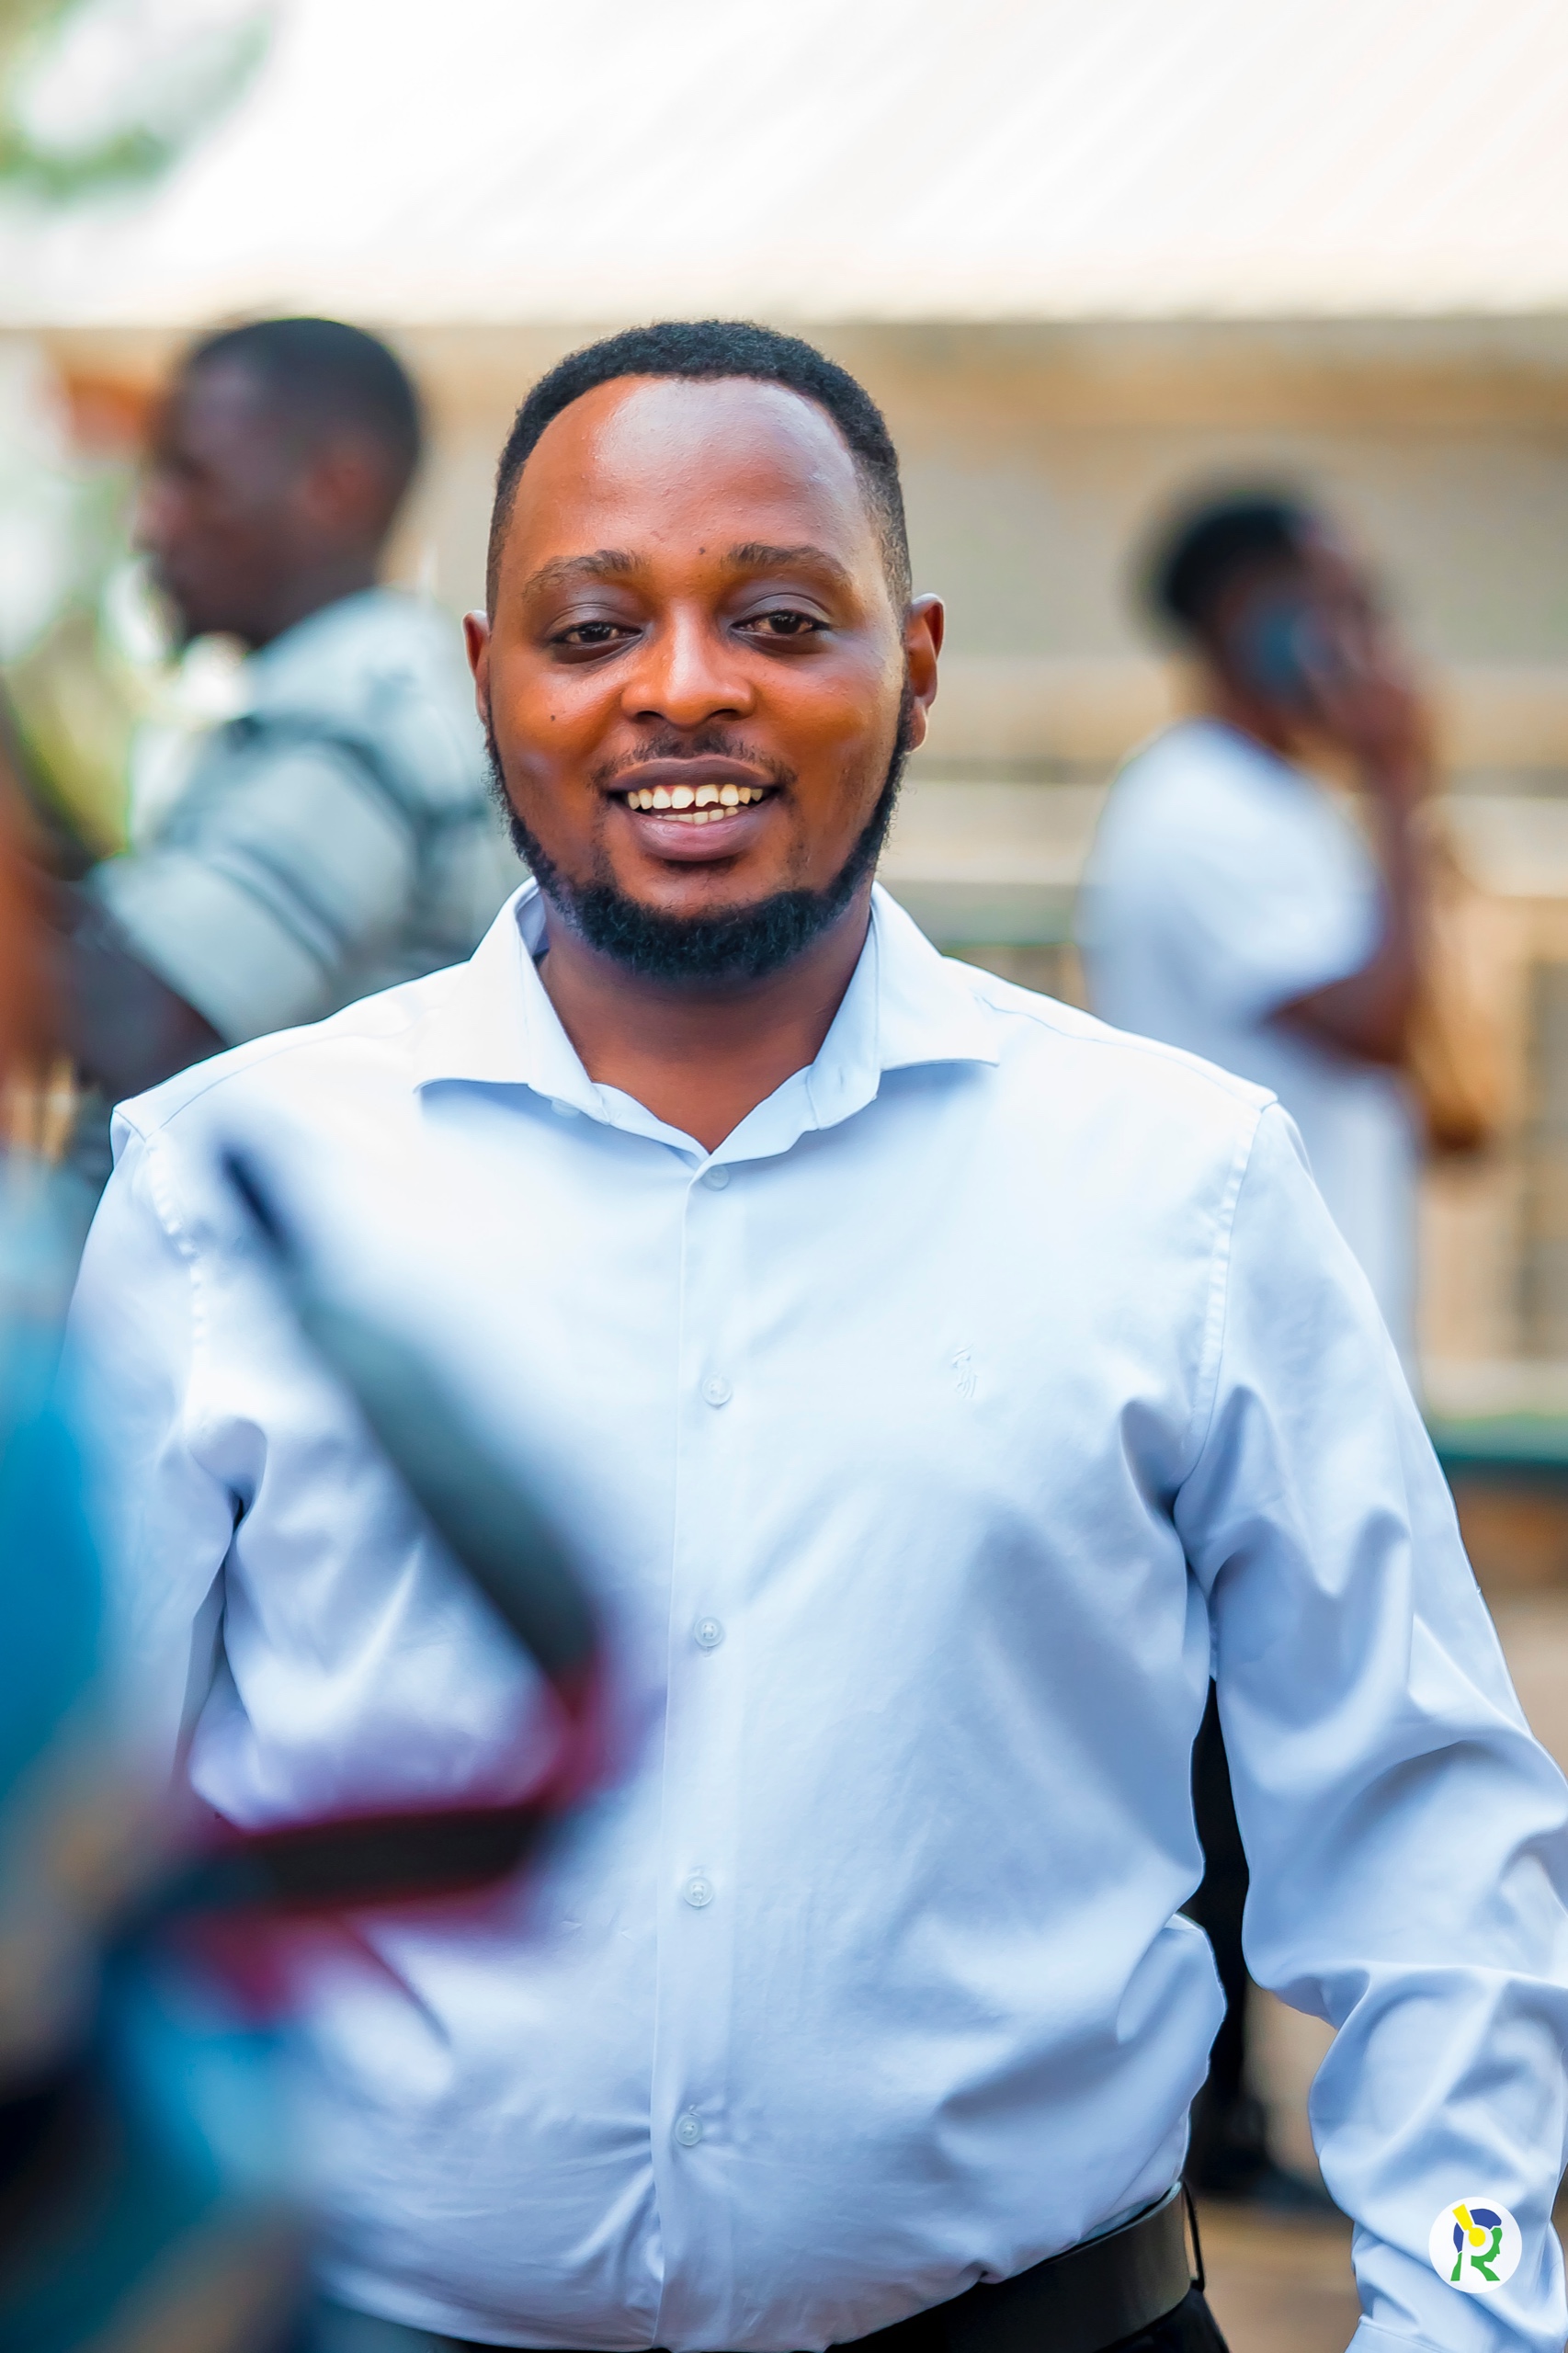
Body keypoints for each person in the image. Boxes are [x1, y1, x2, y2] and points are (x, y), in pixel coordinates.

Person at [68, 324, 1568, 2353]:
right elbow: (62, 1877)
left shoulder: (1183, 1188)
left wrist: (1472, 2309)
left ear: (917, 664)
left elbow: (1433, 1855)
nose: (685, 683)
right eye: (592, 627)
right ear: (484, 679)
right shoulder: (227, 1184)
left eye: (779, 617)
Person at [1076, 495, 1437, 2207]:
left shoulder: (1271, 797)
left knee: (1263, 1755)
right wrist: (1404, 783)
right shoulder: (1197, 809)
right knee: (1219, 1770)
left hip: (1308, 1348)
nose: (1362, 641)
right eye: (1329, 604)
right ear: (1243, 614)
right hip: (1224, 1358)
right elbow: (1374, 1014)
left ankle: (1232, 2118)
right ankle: (1207, 2128)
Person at [50, 316, 517, 1179]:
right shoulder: (346, 695)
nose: (151, 522)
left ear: (334, 489)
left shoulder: (358, 717)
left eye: (192, 478)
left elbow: (148, 1023)